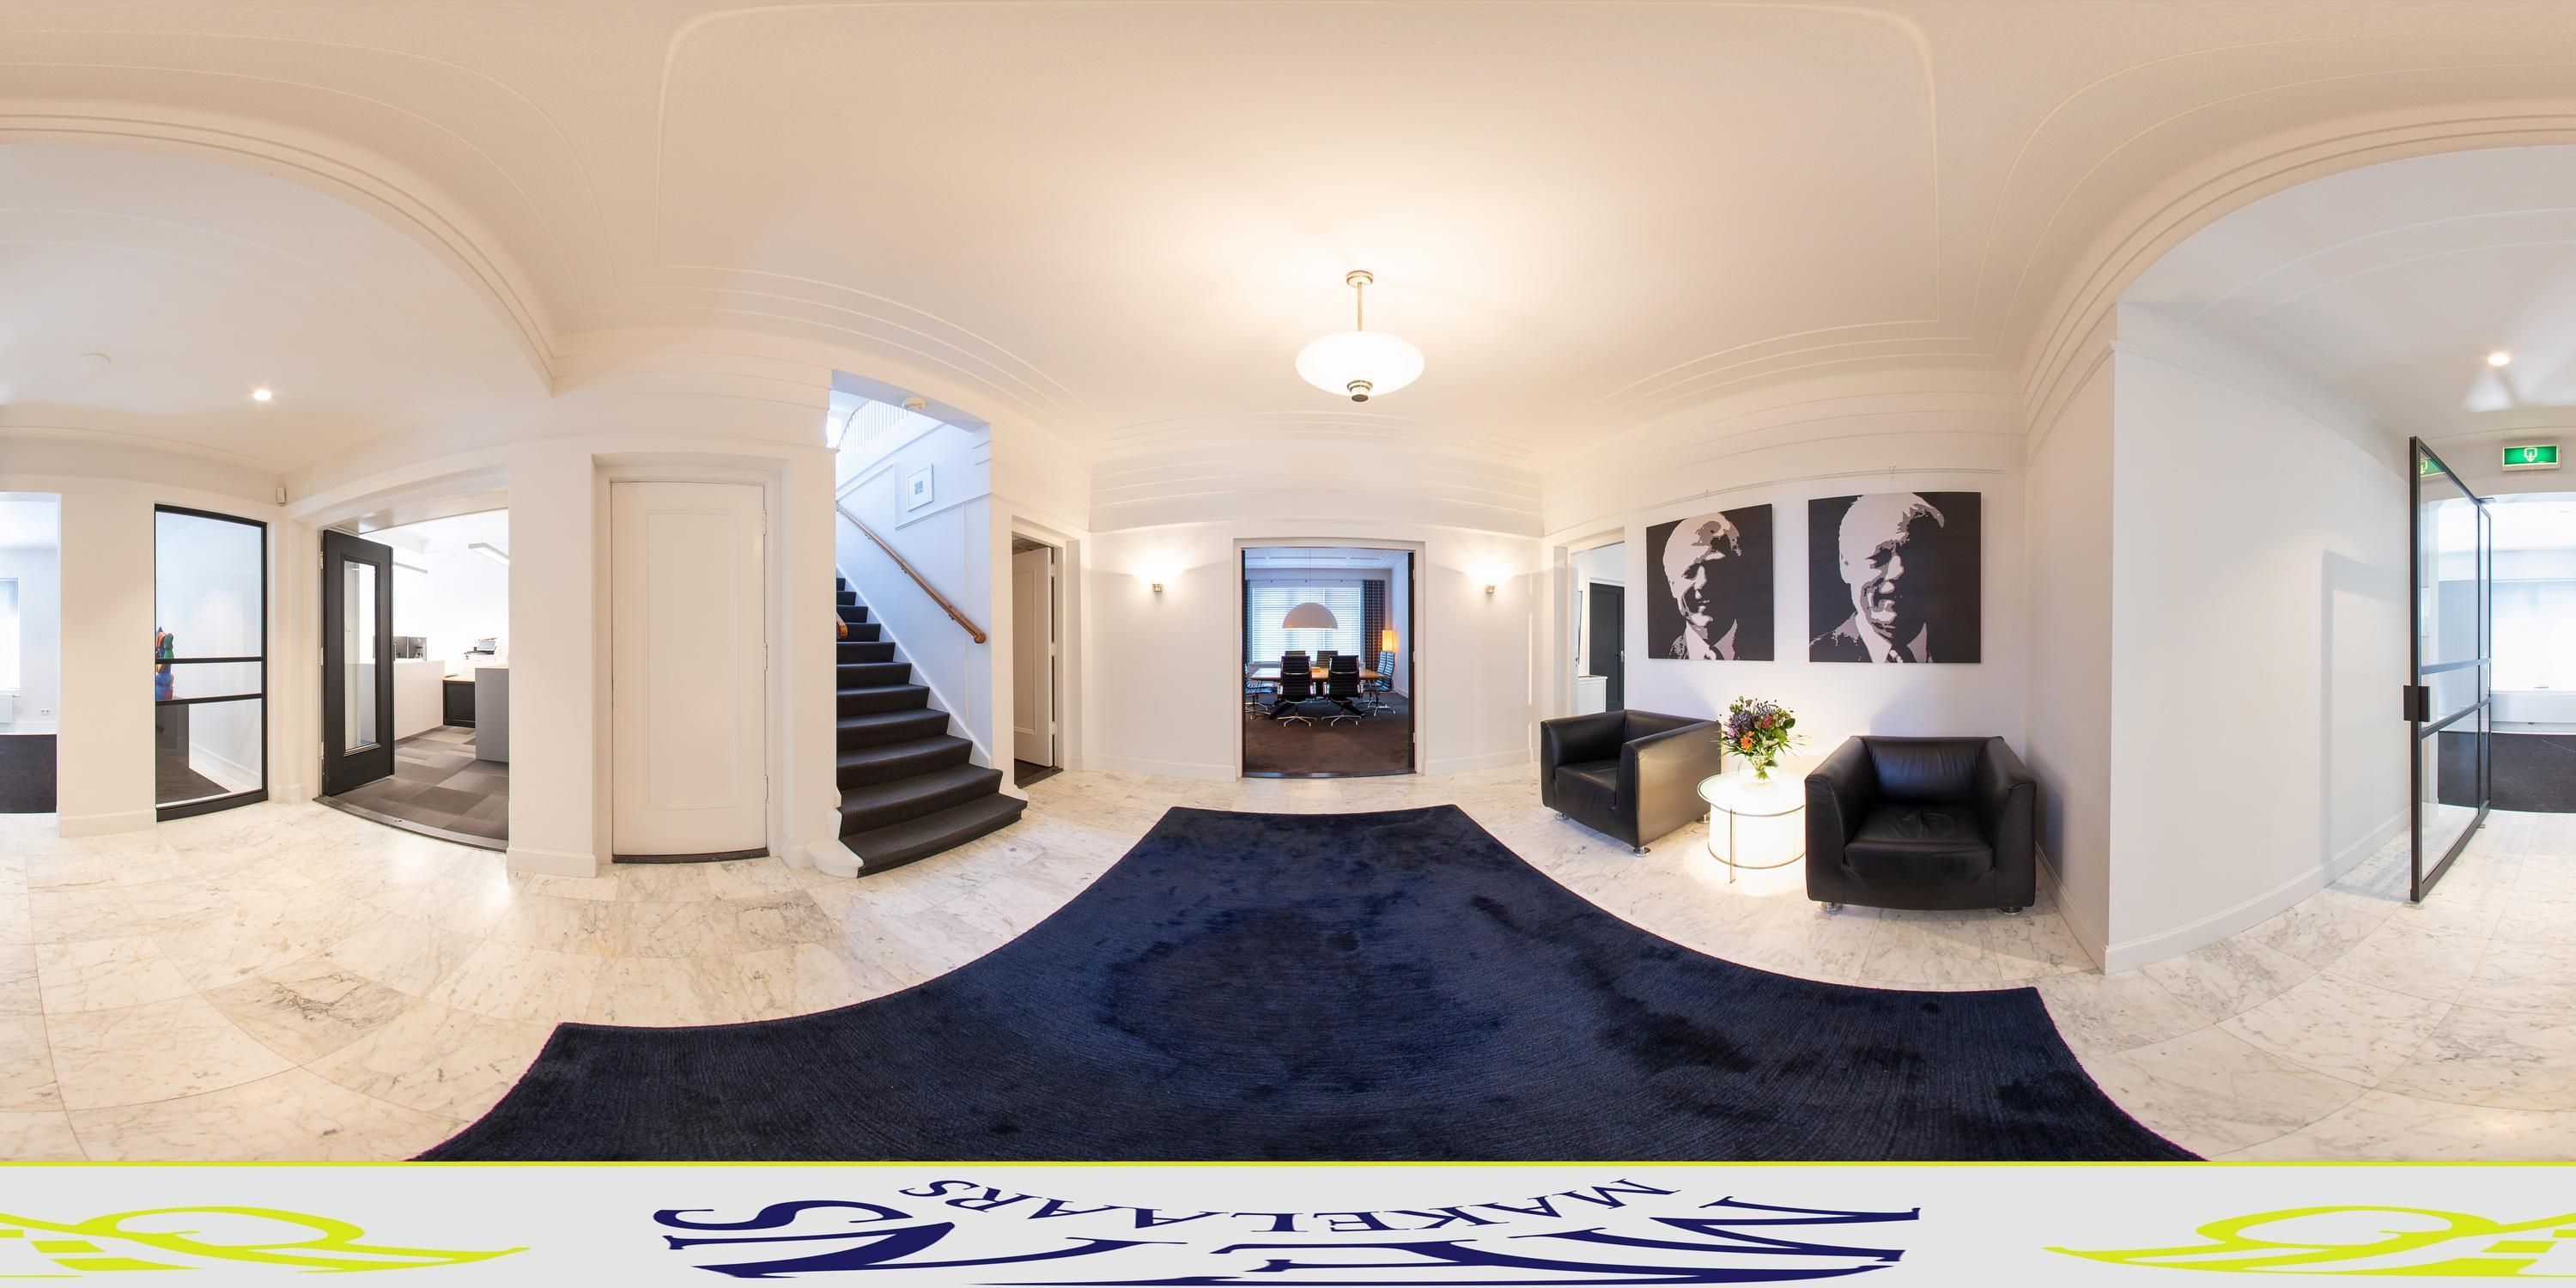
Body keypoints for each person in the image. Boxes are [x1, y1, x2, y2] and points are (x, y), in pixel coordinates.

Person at [1813, 493, 1945, 663]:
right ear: (1845, 565)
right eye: (1880, 556)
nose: (1898, 571)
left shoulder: (1966, 651)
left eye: (1913, 556)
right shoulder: (1816, 654)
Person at [1659, 511, 1748, 659]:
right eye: (1689, 572)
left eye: (1715, 568)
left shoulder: (1762, 646)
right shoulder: (1661, 654)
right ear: (1672, 585)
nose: (1702, 584)